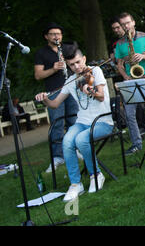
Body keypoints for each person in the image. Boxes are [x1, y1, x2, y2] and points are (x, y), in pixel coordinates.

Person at [35, 45, 114, 202]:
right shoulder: (70, 80)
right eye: (72, 64)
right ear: (67, 65)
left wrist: (89, 90)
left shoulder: (95, 71)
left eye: (78, 62)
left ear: (83, 58)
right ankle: (76, 184)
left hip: (102, 121)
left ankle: (96, 175)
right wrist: (45, 98)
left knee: (81, 139)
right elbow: (55, 104)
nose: (76, 67)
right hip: (82, 122)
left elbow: (101, 97)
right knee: (67, 141)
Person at [114, 12, 145, 155]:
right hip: (131, 80)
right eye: (123, 24)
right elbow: (119, 65)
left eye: (128, 23)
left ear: (134, 22)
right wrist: (125, 76)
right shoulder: (120, 44)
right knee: (129, 115)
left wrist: (143, 56)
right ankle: (136, 144)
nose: (126, 26)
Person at [34, 22, 79, 173]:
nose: (56, 36)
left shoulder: (68, 49)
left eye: (58, 34)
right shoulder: (41, 53)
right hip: (54, 92)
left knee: (74, 121)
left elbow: (79, 64)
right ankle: (57, 156)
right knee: (57, 124)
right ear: (46, 36)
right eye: (53, 34)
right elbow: (38, 75)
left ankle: (76, 150)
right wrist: (53, 69)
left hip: (72, 90)